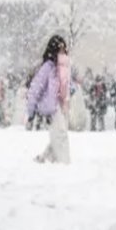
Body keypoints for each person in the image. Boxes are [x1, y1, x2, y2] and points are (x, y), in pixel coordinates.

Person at [27, 35, 71, 164]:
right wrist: (31, 111)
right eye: (60, 48)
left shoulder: (62, 67)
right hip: (51, 108)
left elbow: (66, 85)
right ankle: (64, 163)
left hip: (61, 106)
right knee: (61, 135)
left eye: (64, 48)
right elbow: (35, 89)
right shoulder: (48, 67)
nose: (63, 51)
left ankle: (44, 158)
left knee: (57, 135)